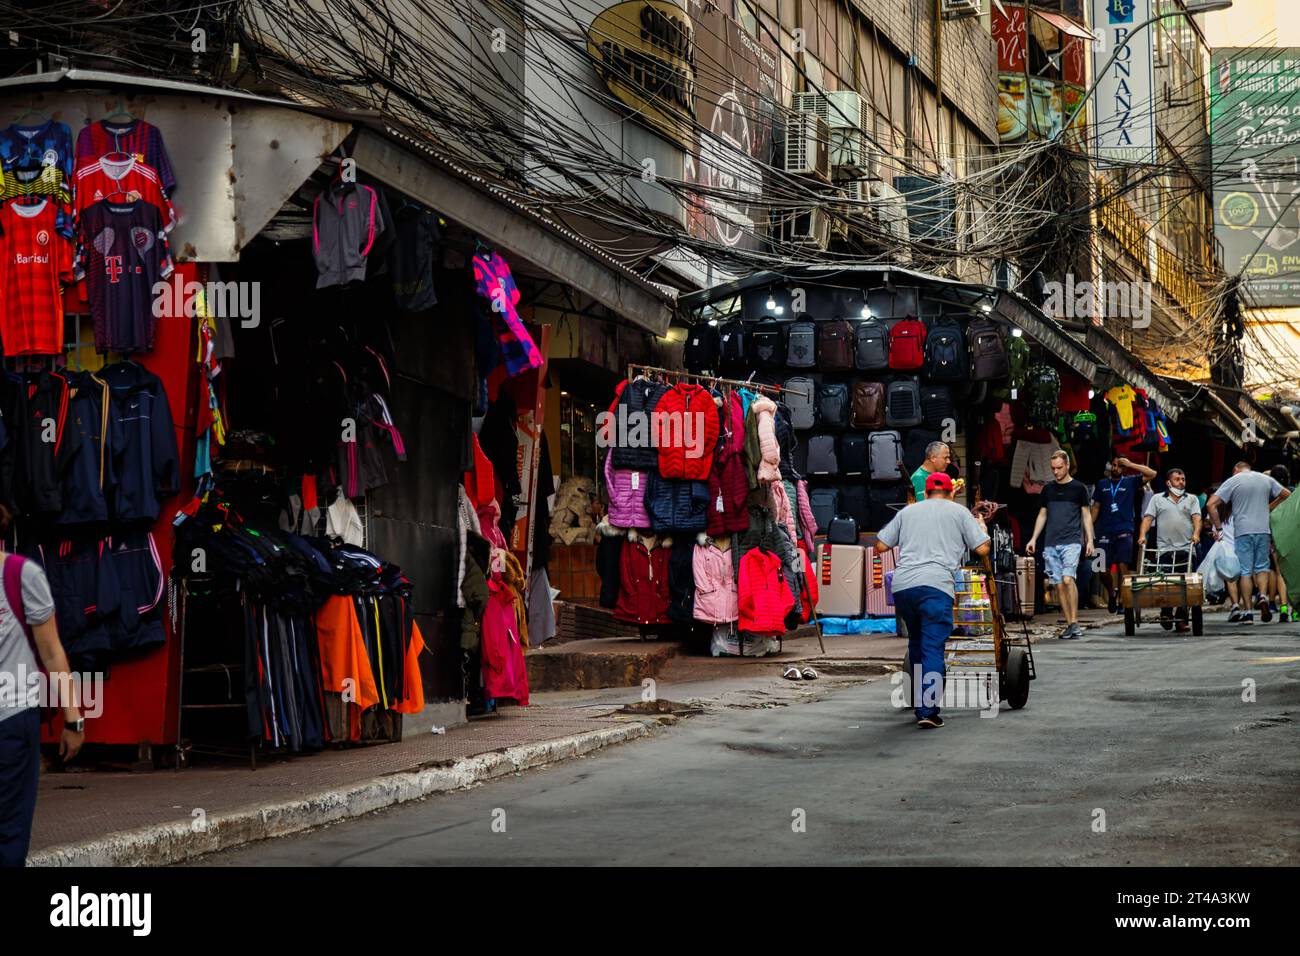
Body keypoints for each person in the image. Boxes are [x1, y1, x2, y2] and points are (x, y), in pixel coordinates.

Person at [0, 505, 84, 867]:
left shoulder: (19, 575)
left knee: (9, 833)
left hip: (11, 722)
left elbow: (52, 652)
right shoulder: (22, 574)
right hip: (15, 722)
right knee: (9, 832)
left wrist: (73, 718)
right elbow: (51, 652)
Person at [876, 472, 990, 730]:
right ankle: (927, 710)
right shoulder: (960, 512)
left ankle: (919, 698)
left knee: (916, 641)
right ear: (951, 492)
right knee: (932, 647)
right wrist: (982, 529)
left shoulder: (908, 512)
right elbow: (982, 549)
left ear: (925, 493)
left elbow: (881, 545)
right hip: (936, 586)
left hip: (903, 586)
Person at [1206, 461, 1291, 624]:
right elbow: (1287, 494)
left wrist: (1218, 528)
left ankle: (1248, 612)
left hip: (1243, 531)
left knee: (1245, 571)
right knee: (1262, 567)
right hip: (1263, 530)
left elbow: (1211, 504)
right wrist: (1269, 507)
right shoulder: (1265, 479)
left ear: (1235, 470)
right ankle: (1264, 596)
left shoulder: (1233, 481)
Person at [1026, 450, 1095, 639]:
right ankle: (1070, 623)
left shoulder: (1079, 488)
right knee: (1057, 584)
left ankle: (1075, 622)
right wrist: (1033, 538)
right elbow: (1042, 514)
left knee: (1067, 579)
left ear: (1066, 466)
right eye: (1053, 469)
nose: (1055, 472)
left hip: (1072, 541)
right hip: (1050, 542)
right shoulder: (1048, 489)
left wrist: (1089, 539)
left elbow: (1086, 514)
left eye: (1058, 468)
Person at [1138, 467, 1202, 633]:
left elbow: (1197, 519)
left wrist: (1196, 534)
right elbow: (1147, 519)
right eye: (1177, 479)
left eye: (1183, 479)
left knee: (1186, 586)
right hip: (1164, 550)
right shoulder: (1157, 499)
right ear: (1168, 483)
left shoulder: (1192, 499)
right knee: (1165, 582)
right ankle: (1166, 613)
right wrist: (1142, 535)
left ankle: (1181, 618)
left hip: (1187, 549)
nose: (1181, 482)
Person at [1091, 455, 1157, 613]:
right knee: (1100, 569)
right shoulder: (1102, 484)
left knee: (1122, 567)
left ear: (1123, 468)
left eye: (1119, 466)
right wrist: (1088, 530)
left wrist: (1131, 464)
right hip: (1104, 532)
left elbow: (1152, 473)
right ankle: (1111, 594)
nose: (1116, 468)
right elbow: (1096, 507)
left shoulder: (1130, 481)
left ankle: (1122, 600)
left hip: (1124, 531)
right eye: (1114, 465)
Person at [1268, 465, 1292, 623]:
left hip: (1277, 536)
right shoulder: (1293, 491)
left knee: (1279, 572)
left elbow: (1266, 512)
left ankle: (1283, 608)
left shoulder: (1270, 494)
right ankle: (1295, 610)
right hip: (1294, 535)